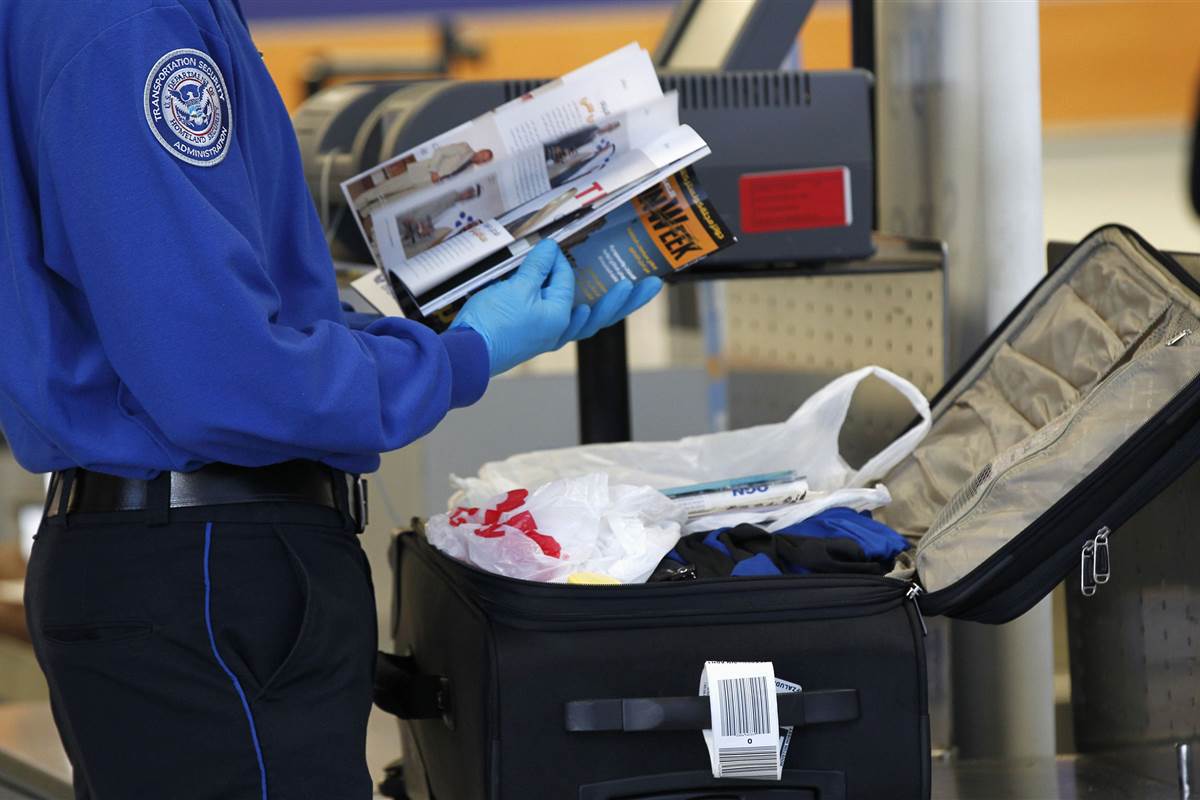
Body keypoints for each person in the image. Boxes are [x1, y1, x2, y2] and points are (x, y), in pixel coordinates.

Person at [0, 2, 660, 798]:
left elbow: (221, 319)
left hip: (178, 557)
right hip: (203, 570)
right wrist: (462, 354)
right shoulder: (130, 22)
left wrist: (420, 325)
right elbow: (222, 381)